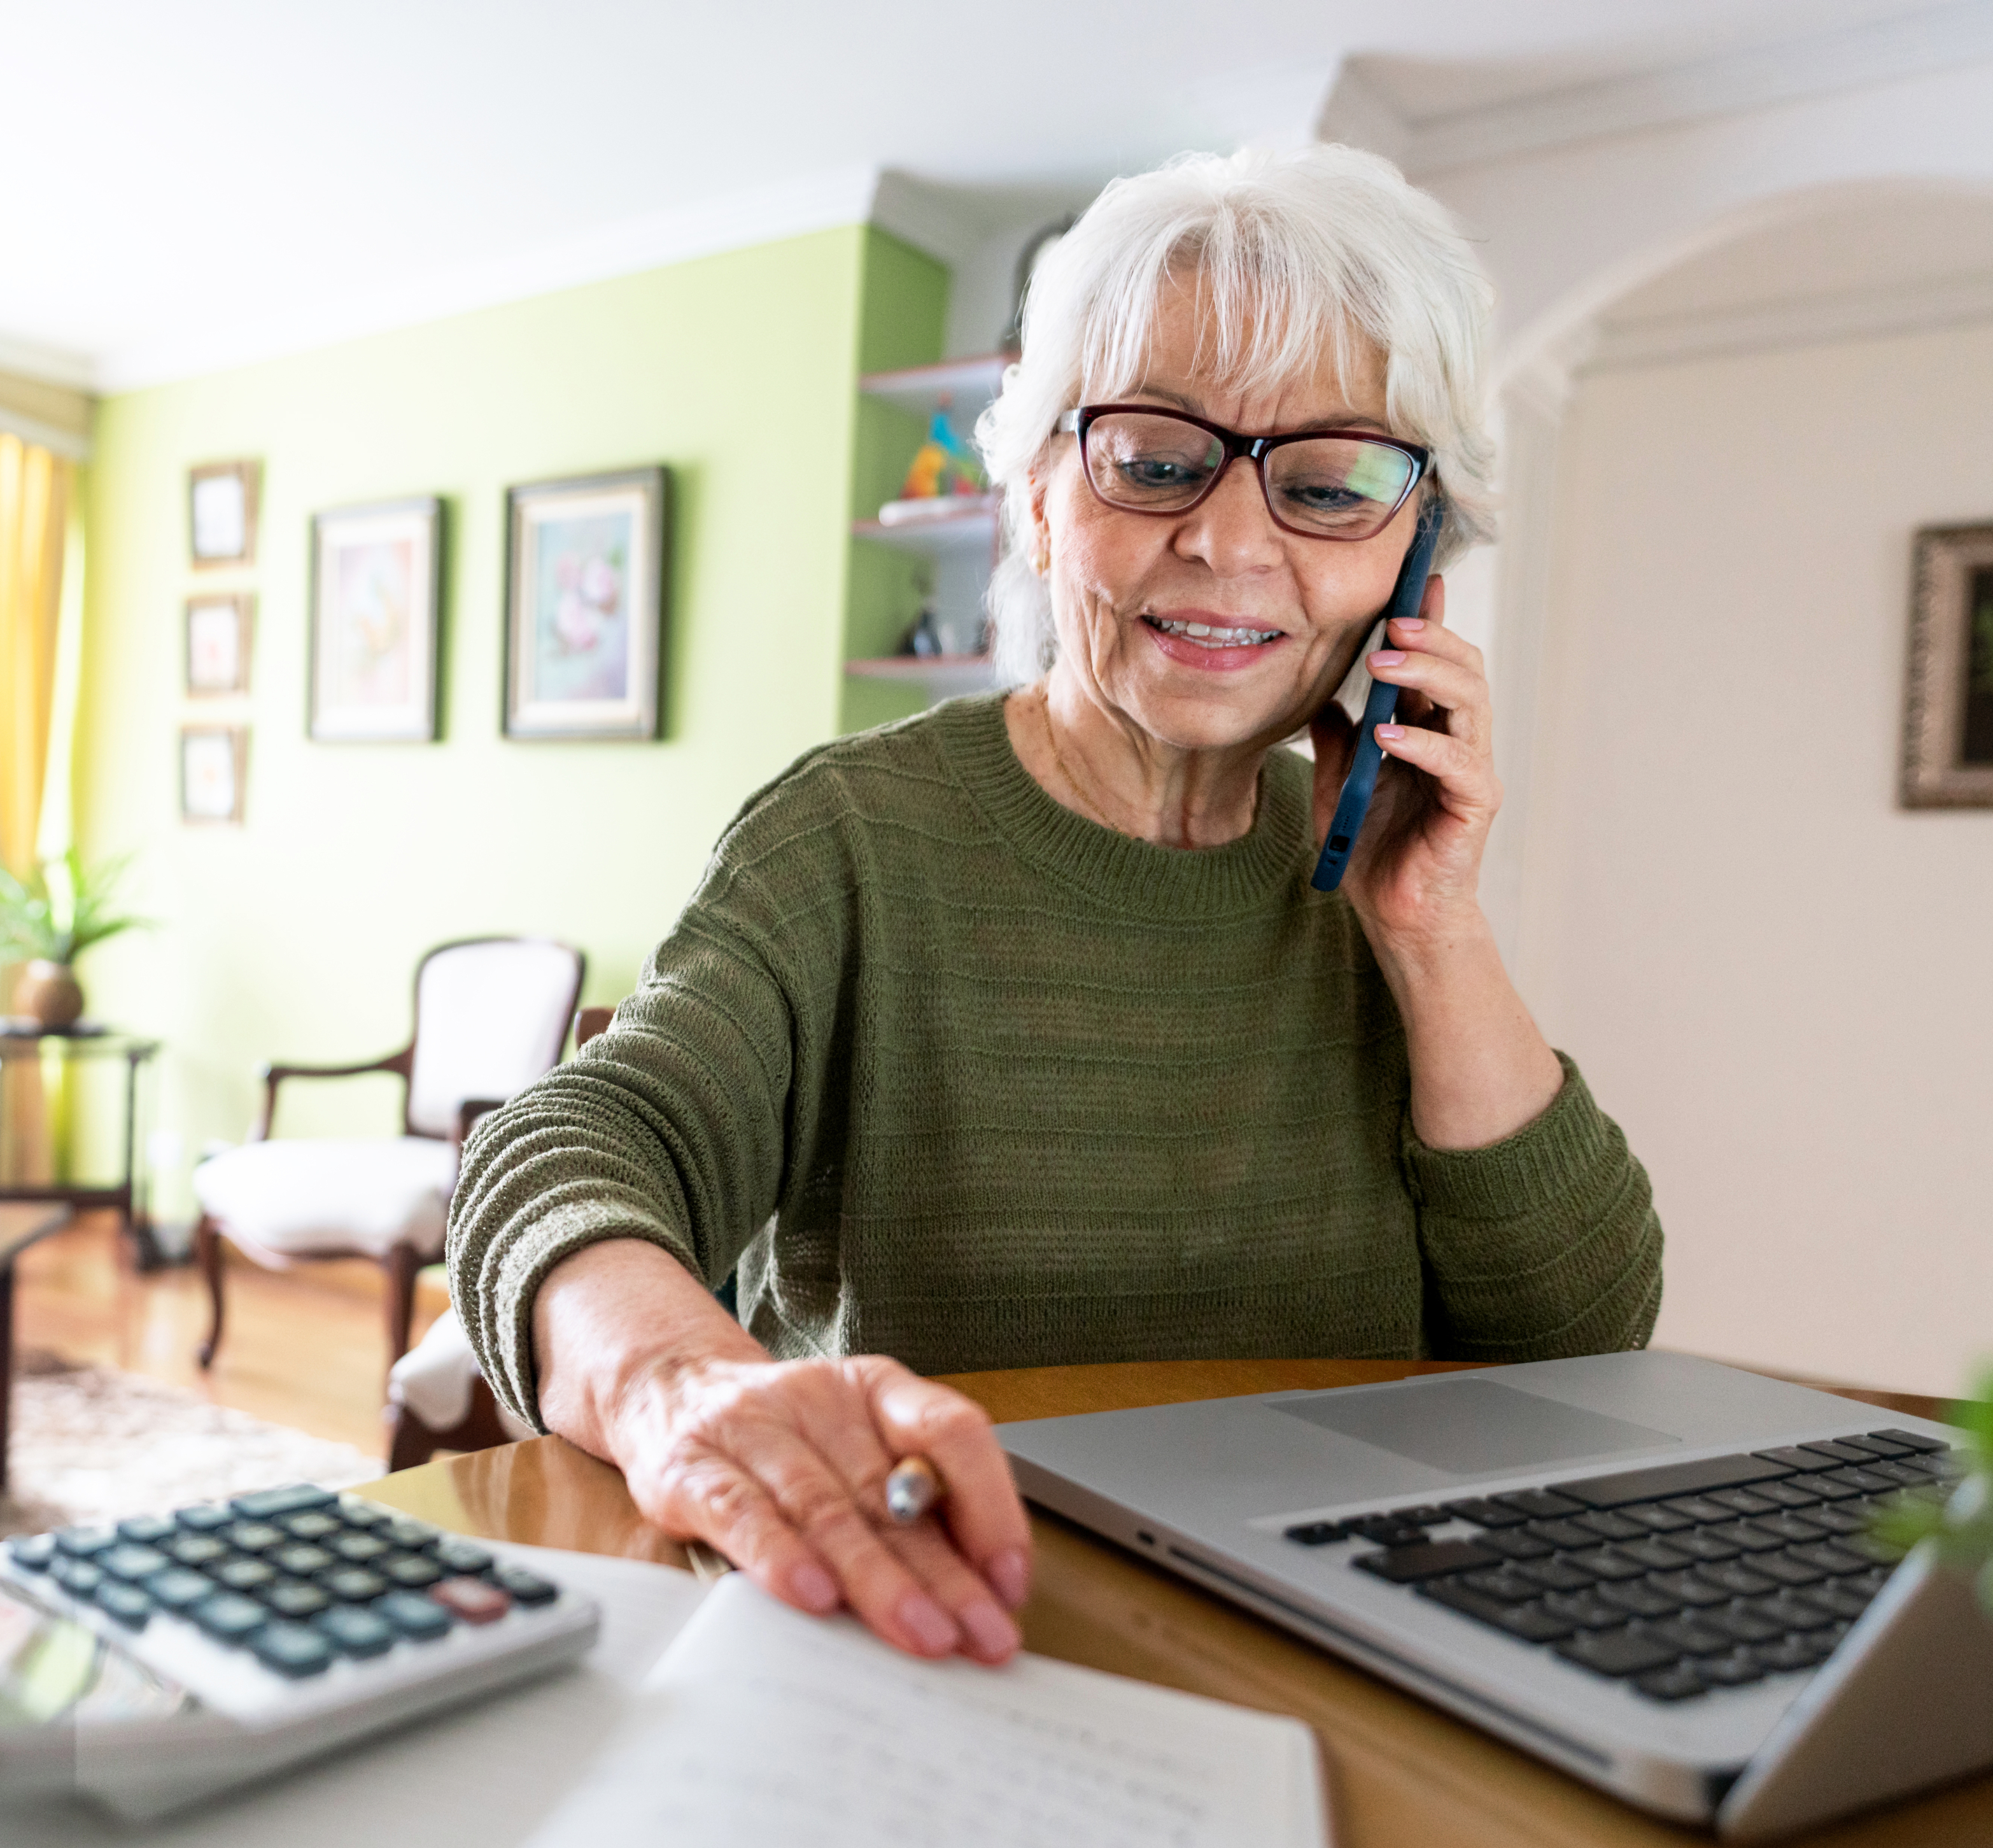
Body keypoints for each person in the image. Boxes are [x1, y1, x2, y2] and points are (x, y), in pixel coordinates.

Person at [447, 144, 1663, 1669]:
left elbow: (1580, 1342)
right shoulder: (850, 838)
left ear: (1411, 562)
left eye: (1332, 480)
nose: (1228, 543)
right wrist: (677, 1383)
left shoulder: (1382, 885)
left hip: (1349, 1650)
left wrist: (1432, 933)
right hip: (936, 1632)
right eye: (1154, 458)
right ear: (1031, 498)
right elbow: (562, 1151)